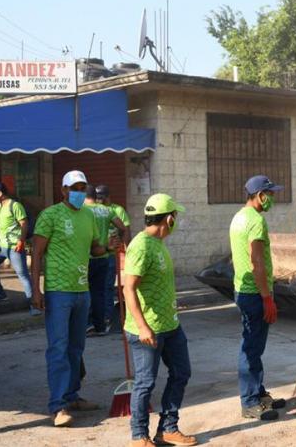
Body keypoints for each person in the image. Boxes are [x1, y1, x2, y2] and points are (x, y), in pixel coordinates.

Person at [30, 170, 114, 427]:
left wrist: (110, 245)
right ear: (63, 190)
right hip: (58, 292)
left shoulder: (89, 215)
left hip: (82, 291)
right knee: (58, 348)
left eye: (82, 187)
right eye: (74, 187)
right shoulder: (50, 215)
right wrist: (36, 290)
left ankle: (72, 396)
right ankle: (58, 407)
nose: (79, 191)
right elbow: (37, 252)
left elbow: (94, 249)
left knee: (76, 348)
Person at [123, 193, 196, 447]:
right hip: (148, 330)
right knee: (145, 383)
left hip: (171, 326)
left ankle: (168, 429)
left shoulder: (159, 244)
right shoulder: (141, 246)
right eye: (174, 216)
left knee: (181, 373)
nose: (175, 221)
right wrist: (143, 327)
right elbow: (128, 288)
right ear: (167, 218)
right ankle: (139, 436)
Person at [229, 175, 287, 421]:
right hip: (254, 293)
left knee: (254, 345)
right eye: (270, 194)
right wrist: (267, 298)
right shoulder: (255, 221)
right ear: (259, 195)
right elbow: (256, 262)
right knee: (251, 348)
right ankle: (250, 402)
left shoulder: (239, 217)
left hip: (243, 290)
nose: (272, 198)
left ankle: (259, 392)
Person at [0, 182, 40, 315]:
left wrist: (21, 241)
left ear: (0, 192)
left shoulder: (15, 205)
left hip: (15, 247)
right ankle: (0, 292)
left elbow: (24, 223)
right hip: (2, 246)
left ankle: (34, 305)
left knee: (22, 275)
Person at [84, 185, 127, 337]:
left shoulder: (83, 211)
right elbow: (122, 227)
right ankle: (100, 326)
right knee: (99, 293)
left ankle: (88, 324)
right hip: (104, 256)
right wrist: (118, 242)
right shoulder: (107, 210)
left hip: (87, 258)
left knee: (86, 292)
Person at [96, 184, 132, 328]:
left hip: (110, 255)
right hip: (95, 253)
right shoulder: (96, 210)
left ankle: (108, 317)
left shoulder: (117, 210)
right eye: (96, 198)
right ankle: (98, 317)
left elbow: (126, 229)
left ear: (108, 197)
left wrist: (128, 251)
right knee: (97, 288)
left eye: (101, 198)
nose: (98, 201)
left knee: (108, 287)